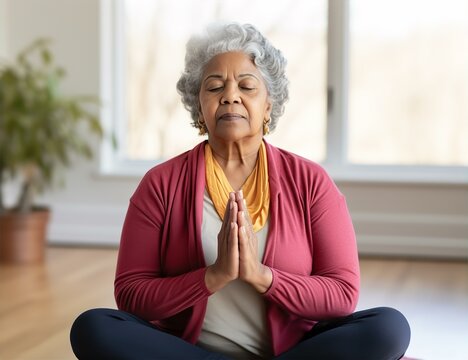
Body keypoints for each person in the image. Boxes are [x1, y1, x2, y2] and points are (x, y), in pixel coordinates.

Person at [70, 23, 410, 360]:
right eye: (214, 86)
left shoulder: (311, 181)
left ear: (268, 106)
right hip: (191, 351)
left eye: (247, 86)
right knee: (93, 327)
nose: (230, 95)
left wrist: (260, 276)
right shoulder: (160, 184)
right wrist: (212, 276)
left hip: (296, 350)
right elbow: (131, 294)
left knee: (389, 328)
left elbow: (342, 293)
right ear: (198, 107)